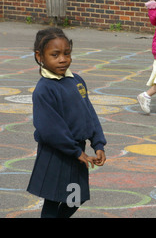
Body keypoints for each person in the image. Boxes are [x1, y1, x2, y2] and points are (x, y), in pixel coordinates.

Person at [27, 27, 107, 218]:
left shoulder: (76, 80)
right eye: (55, 55)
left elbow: (89, 113)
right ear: (40, 56)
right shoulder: (44, 89)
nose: (62, 59)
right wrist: (75, 151)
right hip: (56, 153)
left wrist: (98, 143)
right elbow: (50, 129)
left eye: (67, 53)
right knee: (53, 199)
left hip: (76, 152)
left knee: (75, 199)